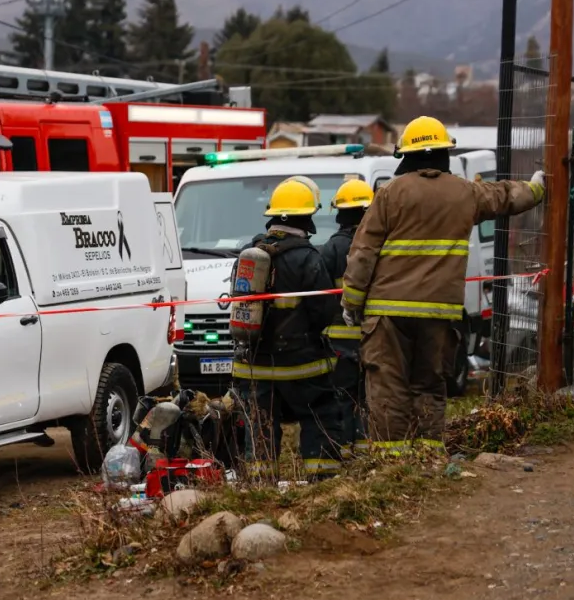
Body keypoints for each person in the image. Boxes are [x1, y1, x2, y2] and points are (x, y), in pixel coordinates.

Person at [341, 116, 546, 454]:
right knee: (430, 386)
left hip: (388, 314)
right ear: (442, 154)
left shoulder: (390, 193)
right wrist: (537, 189)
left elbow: (363, 252)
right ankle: (426, 458)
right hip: (440, 313)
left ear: (408, 155)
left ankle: (392, 465)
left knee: (389, 387)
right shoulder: (465, 192)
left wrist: (352, 302)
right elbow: (506, 196)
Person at [232, 177, 347, 480]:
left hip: (253, 364)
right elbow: (323, 312)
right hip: (300, 364)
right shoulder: (309, 258)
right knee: (320, 414)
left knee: (260, 424)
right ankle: (322, 481)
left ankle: (260, 483)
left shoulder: (248, 254)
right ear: (306, 217)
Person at [319, 178, 375, 456]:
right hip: (374, 337)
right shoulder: (378, 246)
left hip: (339, 343)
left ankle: (343, 452)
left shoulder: (330, 250)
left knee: (342, 399)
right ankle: (366, 451)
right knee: (368, 400)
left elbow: (320, 299)